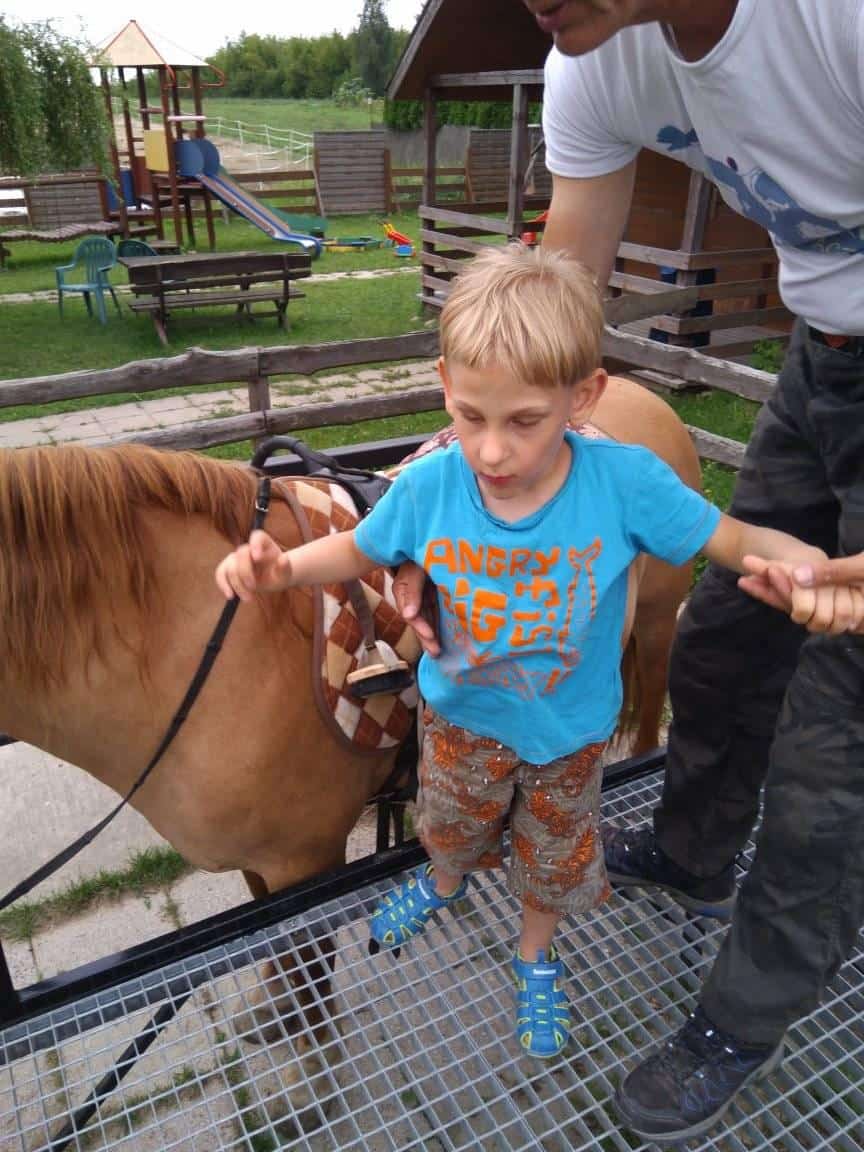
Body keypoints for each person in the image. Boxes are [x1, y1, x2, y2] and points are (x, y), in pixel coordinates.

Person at [392, 0, 864, 1141]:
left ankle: (745, 1018)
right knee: (722, 639)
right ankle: (700, 853)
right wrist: (450, 480)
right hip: (822, 354)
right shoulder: (591, 57)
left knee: (835, 744)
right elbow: (554, 314)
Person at [215, 242, 843, 1064]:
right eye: (471, 416)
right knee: (448, 821)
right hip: (462, 718)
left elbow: (728, 536)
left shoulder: (623, 483)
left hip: (569, 729)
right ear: (445, 385)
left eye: (524, 422)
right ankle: (441, 883)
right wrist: (281, 568)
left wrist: (806, 567)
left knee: (553, 855)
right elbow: (363, 550)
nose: (492, 452)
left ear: (583, 396)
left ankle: (535, 952)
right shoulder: (432, 485)